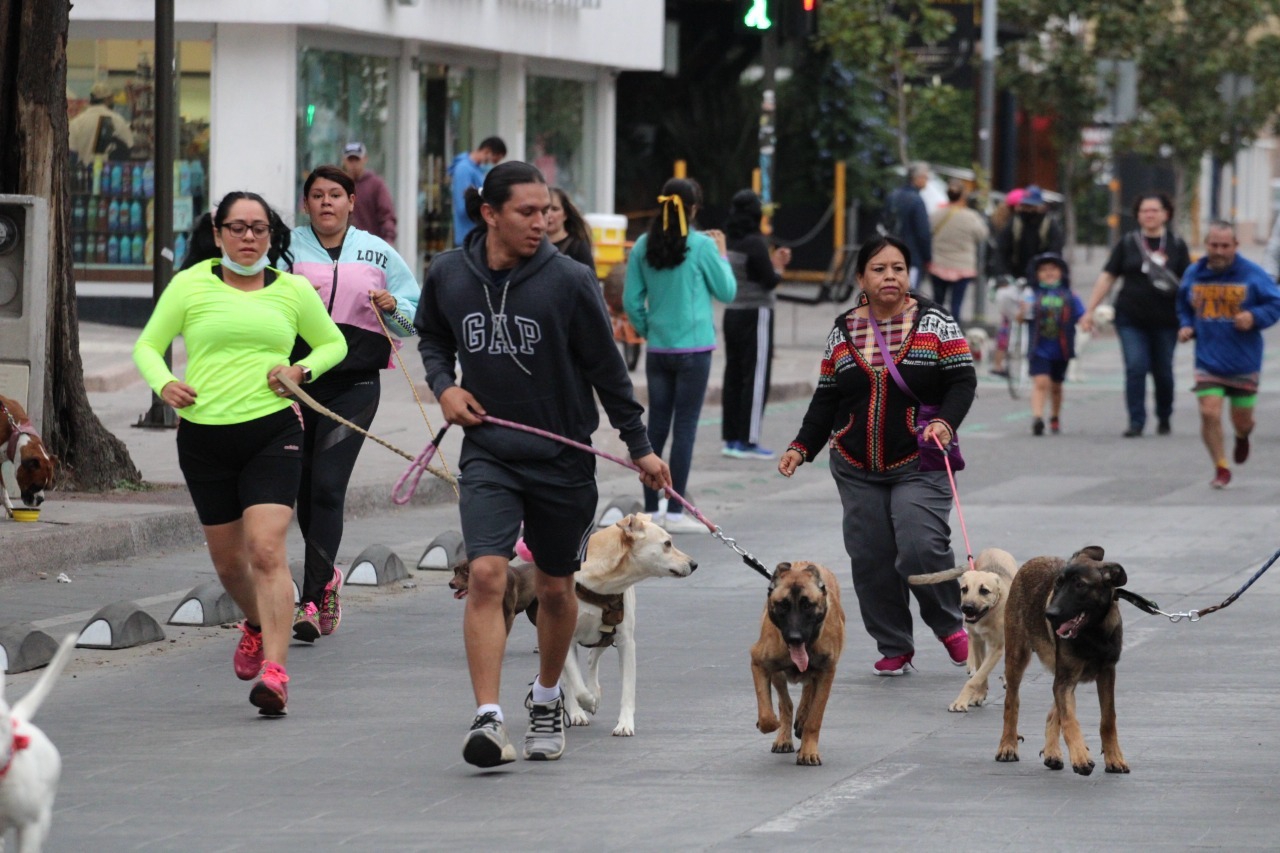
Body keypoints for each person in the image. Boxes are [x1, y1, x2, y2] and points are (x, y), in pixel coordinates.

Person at [415, 161, 670, 767]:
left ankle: (548, 695)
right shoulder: (449, 274)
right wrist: (444, 387)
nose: (542, 222)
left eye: (546, 210)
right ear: (489, 214)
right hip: (490, 453)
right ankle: (487, 716)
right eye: (527, 212)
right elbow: (431, 337)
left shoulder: (570, 280)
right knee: (486, 574)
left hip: (563, 459)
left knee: (556, 589)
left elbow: (610, 374)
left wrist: (639, 447)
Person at [132, 192, 348, 715]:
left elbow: (333, 343)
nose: (248, 238)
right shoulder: (190, 284)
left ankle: (275, 672)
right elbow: (147, 345)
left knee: (267, 549)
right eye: (237, 228)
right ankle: (253, 621)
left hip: (273, 431)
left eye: (258, 229)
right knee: (230, 565)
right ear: (218, 230)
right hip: (204, 438)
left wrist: (300, 371)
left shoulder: (292, 290)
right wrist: (165, 384)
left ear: (272, 235)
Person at [778, 235, 975, 676]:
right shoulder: (844, 329)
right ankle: (893, 642)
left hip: (920, 460)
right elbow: (827, 397)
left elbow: (963, 382)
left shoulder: (936, 323)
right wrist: (800, 447)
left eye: (899, 268)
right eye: (880, 269)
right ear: (861, 278)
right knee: (870, 556)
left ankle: (948, 626)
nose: (891, 276)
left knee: (920, 545)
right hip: (854, 463)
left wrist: (945, 422)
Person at [286, 165, 420, 641]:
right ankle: (327, 581)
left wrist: (394, 308)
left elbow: (412, 316)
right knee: (302, 489)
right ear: (306, 205)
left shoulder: (377, 252)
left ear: (350, 202)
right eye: (317, 195)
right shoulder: (286, 250)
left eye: (335, 195)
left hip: (356, 384)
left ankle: (310, 597)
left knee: (327, 485)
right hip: (298, 383)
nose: (326, 202)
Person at [623, 177, 737, 532]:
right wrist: (721, 253)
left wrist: (648, 329)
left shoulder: (643, 245)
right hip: (695, 348)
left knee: (655, 428)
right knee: (684, 428)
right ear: (694, 209)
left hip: (659, 349)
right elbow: (727, 291)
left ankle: (650, 510)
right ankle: (676, 511)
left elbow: (630, 300)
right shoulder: (702, 245)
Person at [1176, 221, 1280, 489]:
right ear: (1206, 244)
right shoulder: (1194, 273)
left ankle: (1243, 436)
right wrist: (1186, 325)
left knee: (1242, 421)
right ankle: (1221, 466)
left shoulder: (1252, 274)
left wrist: (1254, 316)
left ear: (1236, 246)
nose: (1219, 251)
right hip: (1208, 359)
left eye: (1225, 246)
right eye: (1213, 245)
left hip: (1243, 360)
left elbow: (1274, 303)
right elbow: (1183, 304)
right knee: (1209, 412)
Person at [1081, 193, 1192, 436]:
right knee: (1135, 366)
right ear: (1138, 215)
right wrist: (1089, 310)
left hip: (1166, 319)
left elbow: (1189, 282)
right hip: (1130, 317)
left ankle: (1164, 414)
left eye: (1154, 210)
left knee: (1163, 370)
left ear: (1166, 214)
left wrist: (1192, 318)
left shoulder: (1176, 244)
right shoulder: (1128, 242)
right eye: (1144, 211)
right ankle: (1136, 420)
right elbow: (1108, 276)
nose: (1149, 215)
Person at [720, 188, 790, 460]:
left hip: (732, 311)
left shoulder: (730, 241)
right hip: (756, 313)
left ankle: (732, 439)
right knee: (756, 376)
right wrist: (780, 265)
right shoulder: (755, 242)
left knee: (734, 375)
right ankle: (749, 439)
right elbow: (769, 280)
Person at [1019, 253, 1085, 436]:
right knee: (1041, 382)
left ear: (1061, 272)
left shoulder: (1069, 295)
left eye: (1053, 269)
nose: (1049, 273)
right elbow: (1021, 318)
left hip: (1061, 348)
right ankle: (1037, 418)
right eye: (1043, 270)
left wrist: (1088, 322)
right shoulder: (1032, 294)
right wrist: (1021, 312)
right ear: (1036, 274)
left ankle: (1054, 416)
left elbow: (1082, 314)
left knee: (1056, 386)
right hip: (1038, 347)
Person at [927, 179, 989, 324]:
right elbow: (982, 234)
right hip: (963, 266)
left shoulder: (937, 214)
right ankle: (953, 338)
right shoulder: (971, 217)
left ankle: (935, 333)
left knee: (938, 303)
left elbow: (927, 232)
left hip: (938, 263)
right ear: (963, 196)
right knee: (956, 305)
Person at [994, 184, 1063, 281]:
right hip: (1016, 276)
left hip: (1042, 278)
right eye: (1026, 205)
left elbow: (1055, 252)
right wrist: (1003, 275)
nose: (1028, 209)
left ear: (1040, 206)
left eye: (1032, 206)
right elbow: (1001, 250)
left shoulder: (1049, 225)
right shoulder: (1015, 223)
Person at [449, 136, 507, 246]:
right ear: (487, 151)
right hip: (468, 237)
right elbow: (463, 207)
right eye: (494, 160)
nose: (493, 165)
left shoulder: (476, 170)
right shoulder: (464, 169)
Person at [883, 162, 932, 290]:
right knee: (909, 296)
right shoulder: (917, 201)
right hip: (912, 255)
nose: (927, 181)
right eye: (926, 177)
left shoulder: (892, 196)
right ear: (918, 178)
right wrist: (927, 257)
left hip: (889, 253)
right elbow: (923, 233)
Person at [340, 142, 398, 243]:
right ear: (344, 161)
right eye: (350, 160)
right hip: (343, 246)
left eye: (357, 159)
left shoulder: (376, 185)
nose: (354, 164)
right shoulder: (338, 185)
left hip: (370, 246)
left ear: (365, 159)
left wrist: (388, 240)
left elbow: (386, 215)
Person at [68, 82, 134, 163]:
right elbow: (129, 147)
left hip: (82, 173)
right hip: (108, 173)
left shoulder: (76, 122)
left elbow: (71, 153)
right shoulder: (117, 120)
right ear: (108, 99)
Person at [546, 186, 594, 269]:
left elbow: (590, 279)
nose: (549, 214)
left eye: (555, 209)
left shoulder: (577, 246)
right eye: (545, 209)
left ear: (565, 214)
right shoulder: (533, 244)